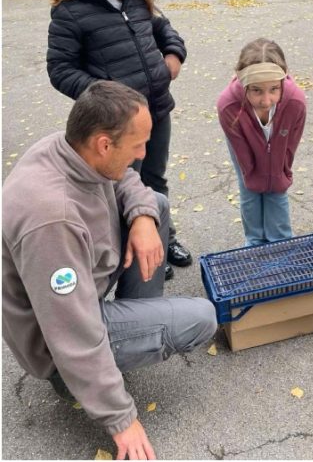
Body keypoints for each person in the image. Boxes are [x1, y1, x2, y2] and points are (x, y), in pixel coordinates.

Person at [2, 81, 217, 460]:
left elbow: (128, 178)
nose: (143, 153)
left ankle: (133, 323)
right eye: (137, 144)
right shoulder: (53, 221)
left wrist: (144, 218)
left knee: (156, 205)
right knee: (201, 318)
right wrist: (121, 419)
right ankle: (75, 383)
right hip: (56, 342)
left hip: (79, 289)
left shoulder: (71, 146)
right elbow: (72, 331)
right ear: (104, 143)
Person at [46, 0, 192, 277]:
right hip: (116, 125)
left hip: (156, 111)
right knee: (122, 188)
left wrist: (172, 56)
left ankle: (163, 234)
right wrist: (104, 96)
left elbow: (162, 28)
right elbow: (60, 70)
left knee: (155, 179)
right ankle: (132, 252)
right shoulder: (70, 12)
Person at [218, 38, 307, 246]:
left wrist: (281, 175)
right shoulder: (228, 105)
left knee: (277, 188)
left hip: (279, 145)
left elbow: (289, 149)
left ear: (282, 81)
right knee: (249, 189)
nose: (266, 101)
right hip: (244, 146)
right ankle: (255, 242)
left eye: (274, 89)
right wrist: (254, 178)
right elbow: (245, 160)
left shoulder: (296, 103)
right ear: (243, 84)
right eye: (256, 90)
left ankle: (280, 241)